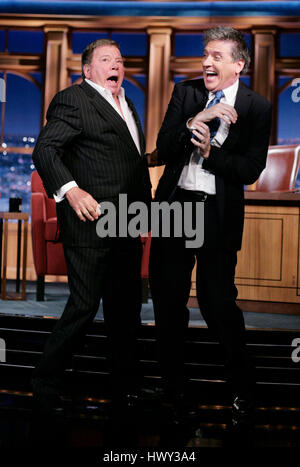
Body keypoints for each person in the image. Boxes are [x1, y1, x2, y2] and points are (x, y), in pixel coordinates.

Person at [149, 26, 272, 425]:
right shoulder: (186, 93)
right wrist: (196, 119)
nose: (206, 62)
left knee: (216, 303)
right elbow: (163, 148)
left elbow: (251, 169)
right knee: (168, 302)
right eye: (205, 55)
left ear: (239, 64)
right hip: (175, 206)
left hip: (216, 214)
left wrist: (209, 152)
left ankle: (243, 389)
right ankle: (173, 388)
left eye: (217, 56)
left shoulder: (256, 107)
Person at [31, 39, 152, 412]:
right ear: (88, 70)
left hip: (128, 221)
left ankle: (124, 384)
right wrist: (71, 191)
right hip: (90, 221)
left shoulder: (128, 103)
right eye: (106, 59)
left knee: (125, 307)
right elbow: (45, 150)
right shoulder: (74, 99)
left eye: (119, 59)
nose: (116, 64)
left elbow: (127, 161)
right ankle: (45, 379)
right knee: (85, 305)